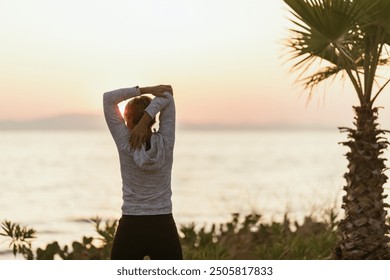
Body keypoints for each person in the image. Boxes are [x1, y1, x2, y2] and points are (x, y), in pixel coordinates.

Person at [103, 84, 183, 260]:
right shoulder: (166, 143)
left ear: (130, 118)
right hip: (163, 225)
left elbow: (108, 98)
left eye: (126, 117)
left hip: (132, 225)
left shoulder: (125, 143)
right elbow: (168, 95)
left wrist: (146, 90)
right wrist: (146, 120)